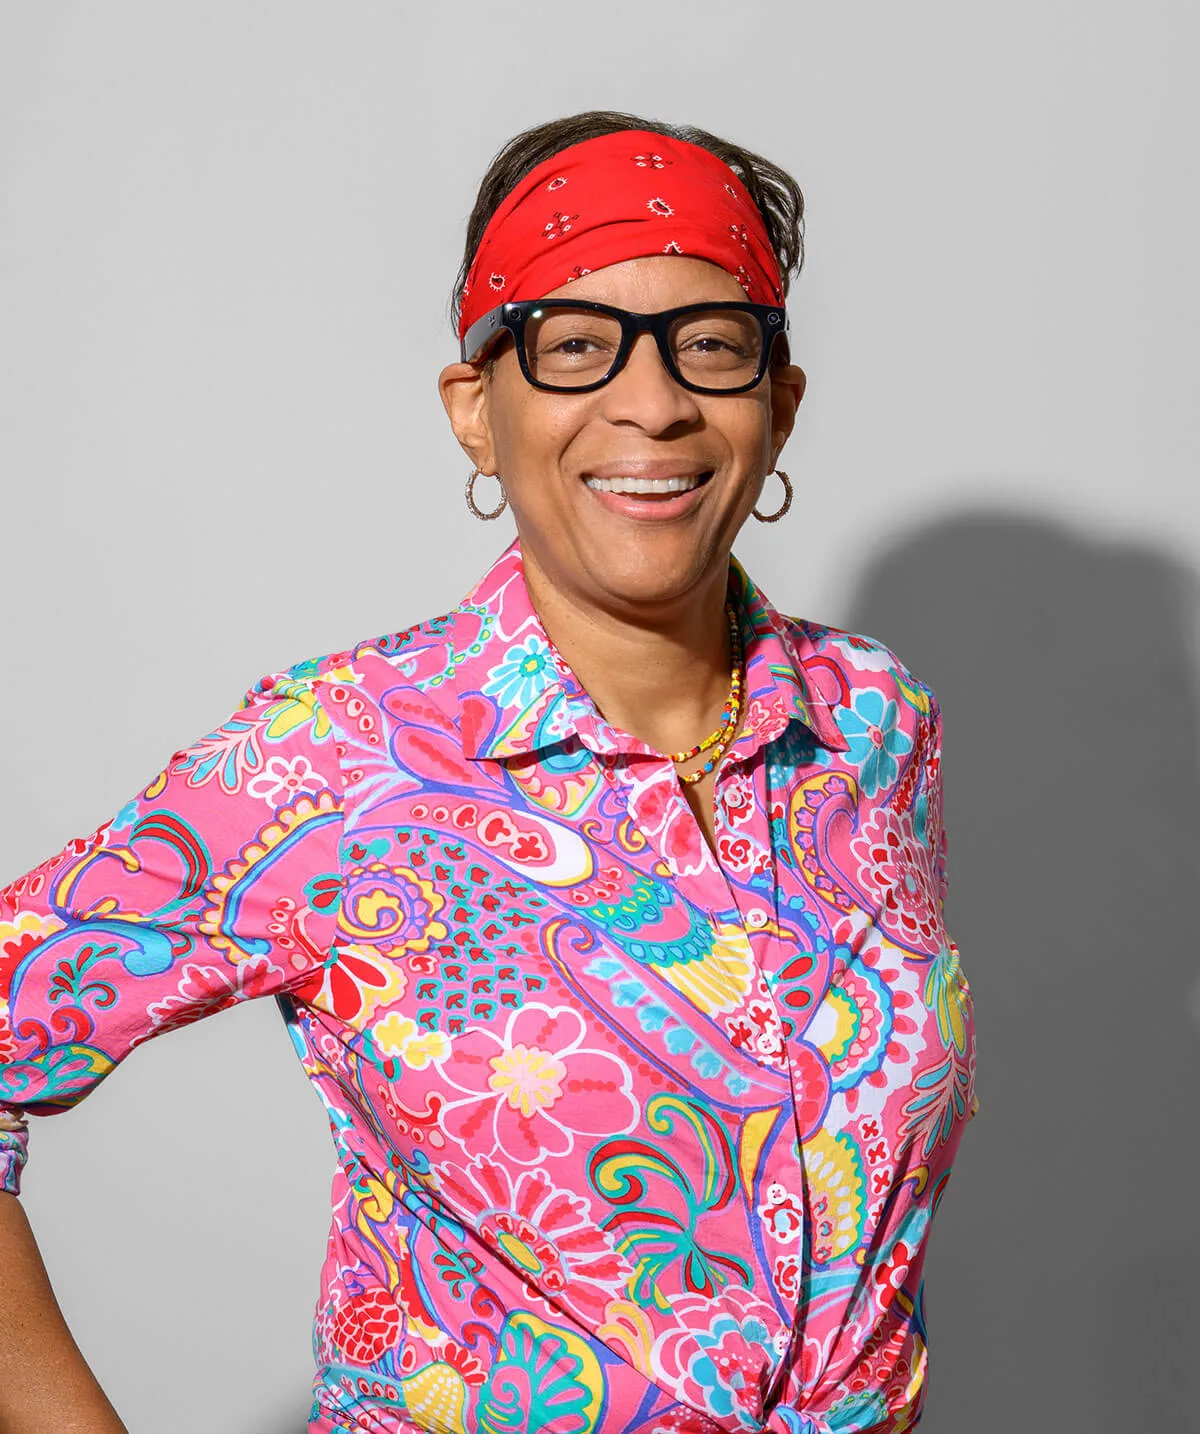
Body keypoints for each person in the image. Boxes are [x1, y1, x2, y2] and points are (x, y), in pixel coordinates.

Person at [0, 111, 977, 1434]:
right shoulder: (342, 754)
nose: (653, 401)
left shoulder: (874, 725)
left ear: (777, 402)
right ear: (478, 409)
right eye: (577, 346)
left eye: (711, 341)